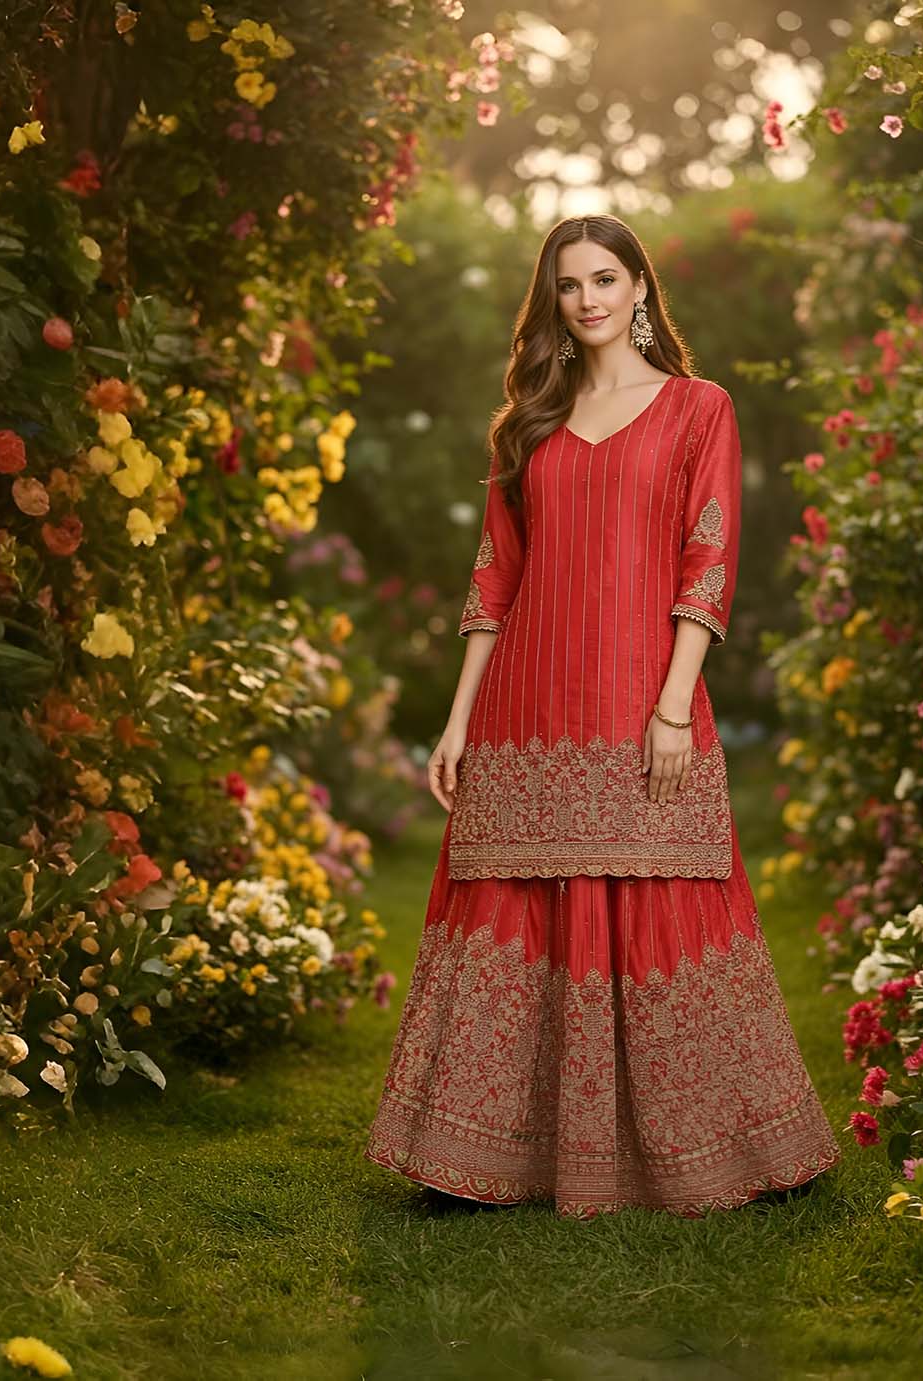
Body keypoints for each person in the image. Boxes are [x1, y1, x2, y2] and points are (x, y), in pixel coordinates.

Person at [362, 213, 842, 1218]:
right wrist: (456, 721)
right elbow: (493, 579)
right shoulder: (525, 425)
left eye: (602, 279)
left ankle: (739, 1149)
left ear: (637, 288)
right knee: (505, 905)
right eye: (566, 284)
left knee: (673, 904)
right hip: (525, 698)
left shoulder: (696, 409)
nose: (584, 299)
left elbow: (707, 560)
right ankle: (471, 1163)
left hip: (640, 692)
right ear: (551, 301)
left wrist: (672, 708)